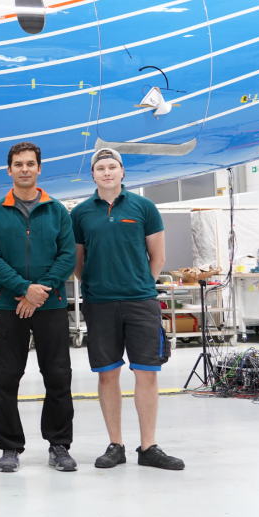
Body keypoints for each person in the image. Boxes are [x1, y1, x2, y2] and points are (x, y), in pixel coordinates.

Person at [72, 148, 185, 471]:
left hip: (140, 302)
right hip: (100, 304)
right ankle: (116, 445)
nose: (107, 172)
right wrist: (97, 286)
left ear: (122, 172)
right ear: (93, 175)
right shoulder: (80, 213)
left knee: (146, 373)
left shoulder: (144, 207)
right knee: (107, 375)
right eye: (101, 168)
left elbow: (158, 257)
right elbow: (78, 262)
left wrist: (139, 285)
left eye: (112, 167)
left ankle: (148, 447)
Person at [0, 141, 77, 474]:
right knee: (6, 377)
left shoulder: (57, 210)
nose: (25, 169)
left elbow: (67, 256)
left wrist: (40, 291)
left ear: (39, 168)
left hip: (51, 306)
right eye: (18, 164)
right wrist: (24, 289)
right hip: (10, 306)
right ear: (9, 170)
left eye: (30, 163)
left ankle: (59, 444)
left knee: (58, 376)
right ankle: (9, 447)